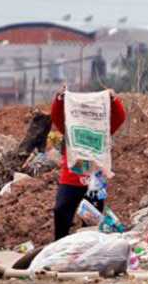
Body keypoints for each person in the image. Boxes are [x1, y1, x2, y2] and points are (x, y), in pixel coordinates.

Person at [49, 87, 126, 241]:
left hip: (95, 180)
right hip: (71, 177)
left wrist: (113, 99)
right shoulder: (70, 127)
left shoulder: (102, 129)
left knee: (92, 219)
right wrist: (59, 99)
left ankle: (88, 249)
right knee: (61, 210)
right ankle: (59, 244)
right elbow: (56, 116)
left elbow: (119, 117)